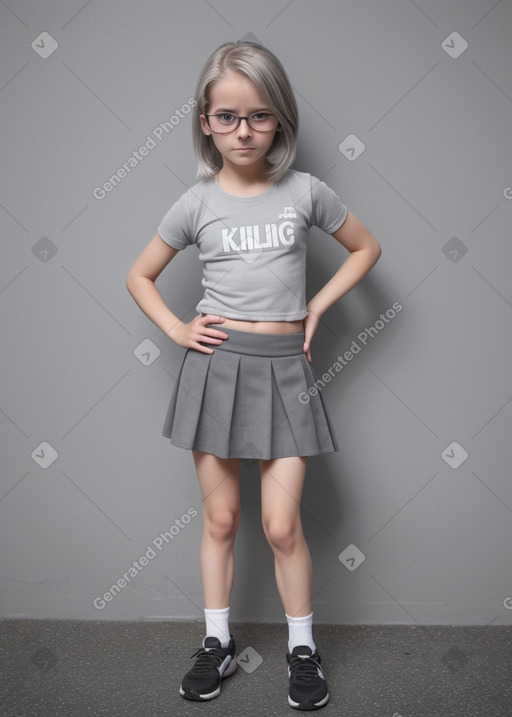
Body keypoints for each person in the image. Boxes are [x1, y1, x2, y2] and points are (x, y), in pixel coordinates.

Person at [126, 40, 381, 711]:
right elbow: (138, 275)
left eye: (259, 116)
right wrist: (180, 329)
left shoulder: (305, 192)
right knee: (219, 518)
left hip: (285, 372)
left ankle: (303, 646)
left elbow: (365, 247)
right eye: (228, 116)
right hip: (215, 370)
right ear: (205, 123)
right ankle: (215, 642)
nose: (244, 130)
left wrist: (320, 303)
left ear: (280, 121)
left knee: (280, 524)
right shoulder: (196, 201)